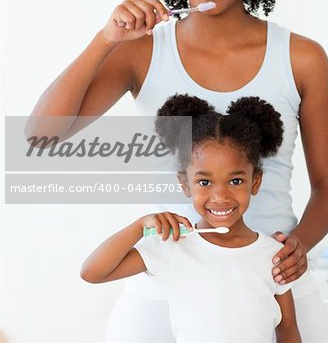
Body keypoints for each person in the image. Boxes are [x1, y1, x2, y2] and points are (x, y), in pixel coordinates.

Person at [26, 0, 328, 341]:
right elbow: (40, 137)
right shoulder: (141, 51)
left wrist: (298, 247)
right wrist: (106, 40)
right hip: (165, 285)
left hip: (271, 280)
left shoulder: (302, 57)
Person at [81, 94, 302, 343]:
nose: (220, 196)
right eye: (204, 182)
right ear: (185, 184)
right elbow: (93, 272)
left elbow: (288, 329)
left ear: (256, 181)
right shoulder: (173, 246)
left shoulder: (273, 254)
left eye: (235, 181)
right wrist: (140, 226)